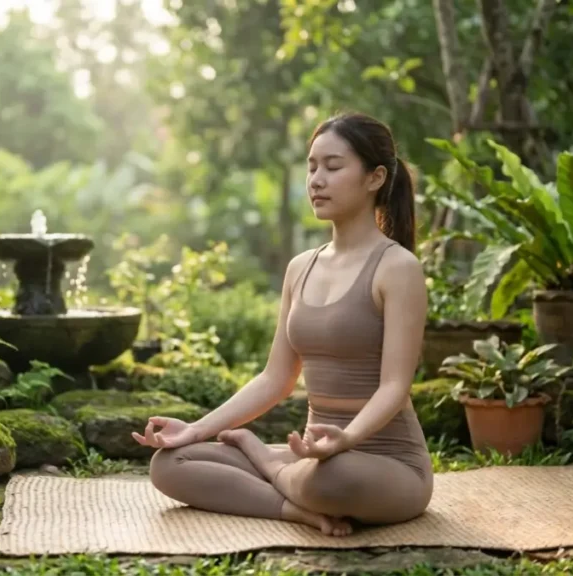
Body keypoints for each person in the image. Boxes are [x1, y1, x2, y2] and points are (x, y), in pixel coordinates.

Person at [131, 111, 431, 537]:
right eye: (311, 167)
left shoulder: (397, 268)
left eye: (333, 166)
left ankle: (268, 462)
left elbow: (394, 388)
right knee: (171, 463)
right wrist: (197, 429)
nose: (316, 180)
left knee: (335, 478)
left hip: (384, 464)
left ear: (375, 177)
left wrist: (345, 440)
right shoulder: (300, 268)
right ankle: (297, 511)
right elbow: (276, 379)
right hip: (312, 458)